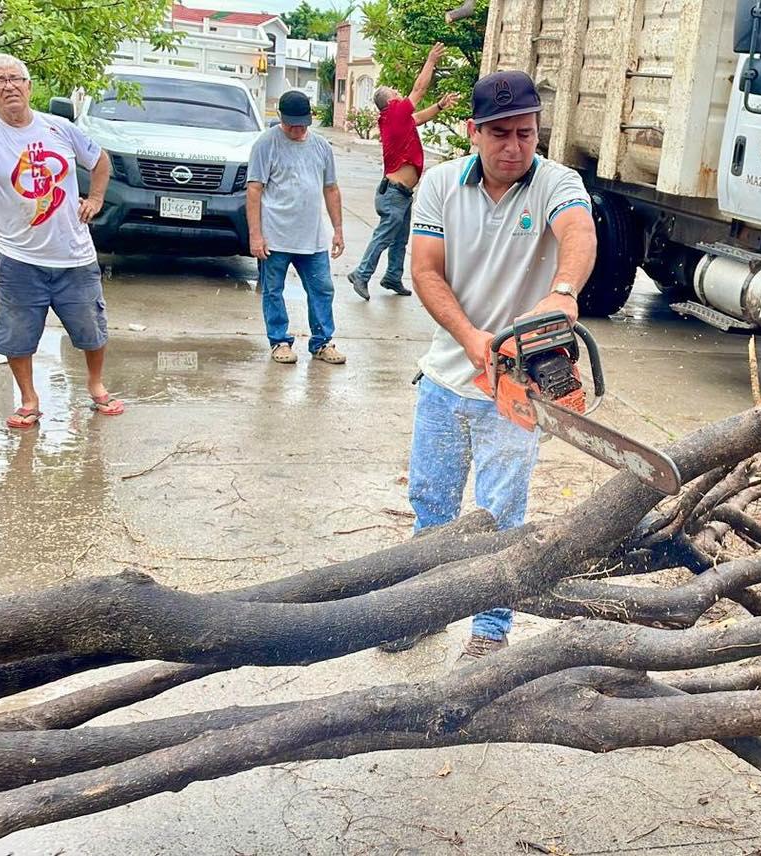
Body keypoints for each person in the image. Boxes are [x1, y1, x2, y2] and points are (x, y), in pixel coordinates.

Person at [395, 70, 597, 662]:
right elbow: (425, 271)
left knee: (502, 515)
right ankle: (423, 609)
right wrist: (470, 339)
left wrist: (562, 291)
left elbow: (578, 231)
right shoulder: (439, 185)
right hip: (445, 378)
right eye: (501, 134)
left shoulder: (557, 183)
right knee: (431, 505)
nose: (514, 147)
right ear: (474, 131)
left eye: (526, 134)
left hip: (517, 387)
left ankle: (490, 628)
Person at [0, 51, 123, 429]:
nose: (8, 86)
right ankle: (28, 398)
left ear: (29, 86)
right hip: (19, 259)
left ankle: (96, 385)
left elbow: (100, 161)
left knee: (91, 331)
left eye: (15, 79)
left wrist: (95, 199)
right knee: (17, 337)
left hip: (74, 257)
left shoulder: (59, 128)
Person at [347, 42, 460, 301]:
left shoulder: (398, 120)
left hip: (401, 193)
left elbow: (419, 118)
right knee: (385, 235)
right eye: (395, 92)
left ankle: (392, 276)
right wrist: (431, 60)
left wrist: (440, 106)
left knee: (400, 238)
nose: (400, 93)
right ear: (390, 101)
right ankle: (361, 274)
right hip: (394, 193)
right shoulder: (394, 113)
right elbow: (419, 89)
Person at [247, 90, 346, 365]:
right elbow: (254, 190)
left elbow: (331, 188)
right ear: (280, 117)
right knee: (273, 290)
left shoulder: (321, 147)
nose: (296, 129)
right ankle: (279, 341)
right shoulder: (266, 144)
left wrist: (338, 230)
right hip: (275, 237)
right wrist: (256, 235)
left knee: (322, 289)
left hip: (312, 237)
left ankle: (322, 342)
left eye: (302, 124)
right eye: (290, 124)